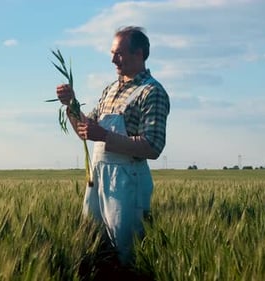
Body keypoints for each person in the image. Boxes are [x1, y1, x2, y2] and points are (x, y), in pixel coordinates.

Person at [56, 26, 170, 267]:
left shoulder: (152, 92)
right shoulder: (110, 90)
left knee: (126, 254)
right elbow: (85, 132)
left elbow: (153, 146)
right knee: (94, 247)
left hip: (127, 183)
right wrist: (71, 105)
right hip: (98, 180)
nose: (113, 59)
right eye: (112, 53)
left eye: (118, 53)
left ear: (138, 54)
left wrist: (105, 135)